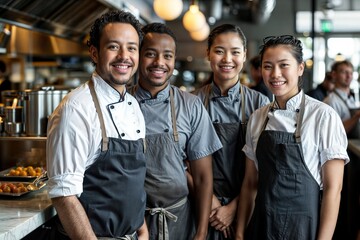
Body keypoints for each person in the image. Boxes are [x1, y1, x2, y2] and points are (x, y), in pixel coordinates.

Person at [46, 10, 148, 239]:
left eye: (131, 48)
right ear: (94, 52)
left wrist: (142, 230)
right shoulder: (76, 108)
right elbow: (64, 196)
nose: (124, 56)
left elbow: (131, 181)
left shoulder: (133, 105)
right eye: (113, 46)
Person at [235, 35, 349, 240]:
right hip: (262, 225)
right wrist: (240, 232)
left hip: (304, 228)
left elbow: (334, 190)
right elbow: (250, 183)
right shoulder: (257, 118)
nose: (275, 74)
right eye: (268, 66)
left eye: (283, 65)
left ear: (300, 68)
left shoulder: (323, 116)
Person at [131, 22, 222, 240]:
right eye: (150, 54)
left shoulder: (190, 105)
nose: (159, 63)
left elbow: (202, 177)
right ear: (138, 56)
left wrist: (201, 233)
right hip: (133, 223)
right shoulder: (122, 103)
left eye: (167, 56)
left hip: (181, 220)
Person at [193, 24, 270, 239]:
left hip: (248, 206)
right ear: (208, 53)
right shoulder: (192, 102)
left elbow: (265, 166)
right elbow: (182, 163)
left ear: (244, 55)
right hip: (203, 209)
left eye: (235, 52)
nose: (227, 59)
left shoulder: (260, 103)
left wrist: (234, 207)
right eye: (219, 51)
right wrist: (213, 202)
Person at [323, 60, 360, 138]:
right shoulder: (330, 101)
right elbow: (332, 132)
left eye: (351, 73)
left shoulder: (350, 98)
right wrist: (356, 116)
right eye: (344, 72)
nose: (349, 76)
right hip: (344, 148)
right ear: (334, 75)